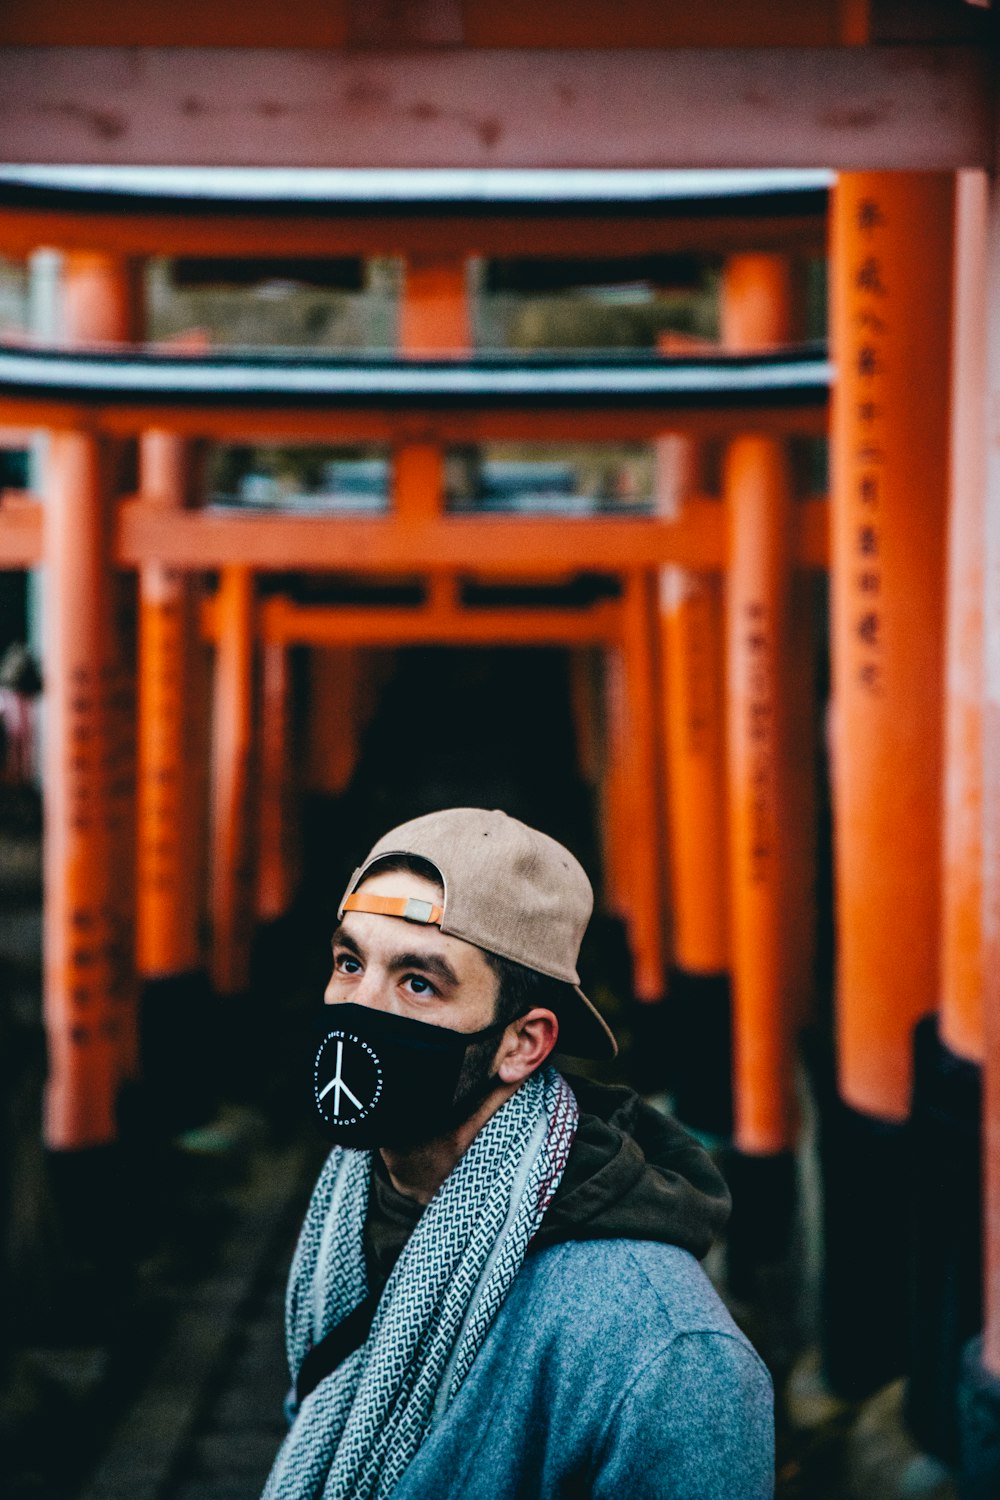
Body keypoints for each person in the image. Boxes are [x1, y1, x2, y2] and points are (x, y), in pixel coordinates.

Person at [264, 808, 773, 1500]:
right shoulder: (353, 1216)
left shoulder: (659, 1352)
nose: (362, 1008)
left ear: (522, 1044)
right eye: (351, 962)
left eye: (418, 982)